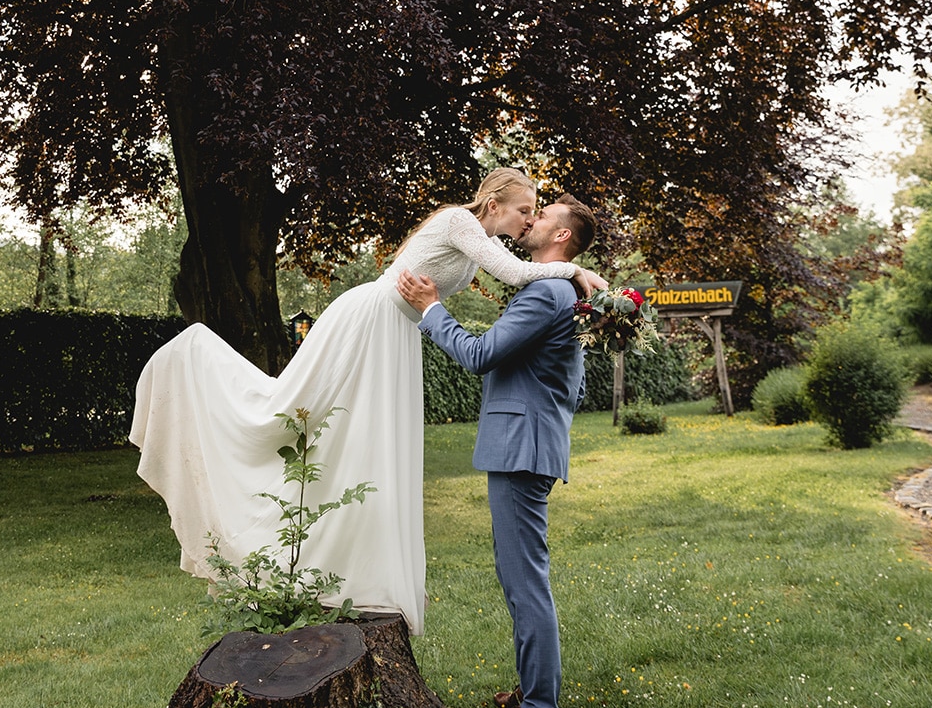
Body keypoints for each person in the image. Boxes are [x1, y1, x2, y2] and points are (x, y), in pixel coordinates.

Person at [129, 168, 607, 635]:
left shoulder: (484, 242)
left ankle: (342, 562)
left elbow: (522, 281)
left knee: (359, 443)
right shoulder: (461, 221)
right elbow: (518, 273)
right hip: (371, 319)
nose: (528, 219)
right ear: (494, 203)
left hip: (399, 332)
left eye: (536, 213)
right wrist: (579, 271)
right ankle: (195, 359)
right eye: (525, 209)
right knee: (291, 410)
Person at [395, 193, 597, 708]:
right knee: (521, 575)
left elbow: (480, 355)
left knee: (524, 579)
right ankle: (535, 689)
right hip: (531, 443)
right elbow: (571, 384)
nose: (531, 221)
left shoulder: (549, 291)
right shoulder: (563, 292)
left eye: (543, 217)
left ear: (561, 237)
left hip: (521, 448)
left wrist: (433, 309)